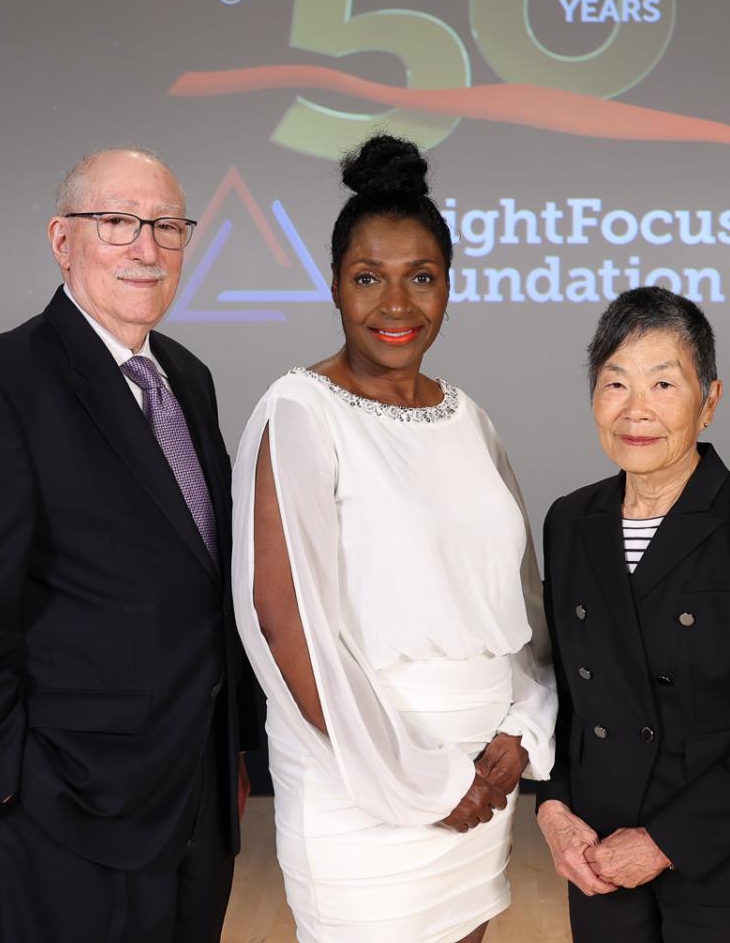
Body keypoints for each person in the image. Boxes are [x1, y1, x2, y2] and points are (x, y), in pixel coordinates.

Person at [0, 148, 253, 941]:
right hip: (71, 804)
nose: (147, 248)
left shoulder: (185, 377)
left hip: (195, 792)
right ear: (63, 240)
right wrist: (6, 788)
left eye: (167, 226)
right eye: (118, 223)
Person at [232, 134, 556, 943]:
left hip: (485, 772)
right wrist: (422, 779)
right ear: (334, 284)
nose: (396, 305)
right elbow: (283, 621)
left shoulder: (469, 418)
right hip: (362, 783)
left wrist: (521, 729)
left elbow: (519, 601)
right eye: (368, 278)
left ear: (450, 286)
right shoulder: (299, 412)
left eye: (422, 278)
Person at [535, 287, 730, 941]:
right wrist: (553, 807)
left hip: (725, 867)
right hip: (600, 859)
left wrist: (663, 841)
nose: (637, 410)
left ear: (709, 400)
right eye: (616, 384)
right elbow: (561, 692)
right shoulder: (570, 521)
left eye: (664, 384)